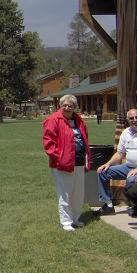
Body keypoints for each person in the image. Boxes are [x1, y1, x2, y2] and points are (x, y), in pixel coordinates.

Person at [43, 94, 91, 231]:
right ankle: (66, 222)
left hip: (79, 162)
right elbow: (48, 143)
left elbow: (85, 137)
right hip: (63, 164)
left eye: (70, 105)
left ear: (74, 107)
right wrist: (60, 158)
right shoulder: (53, 119)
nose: (67, 108)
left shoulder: (78, 119)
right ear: (60, 106)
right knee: (65, 193)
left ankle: (75, 219)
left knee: (78, 193)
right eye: (64, 105)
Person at [96, 108, 137, 215]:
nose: (135, 120)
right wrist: (107, 164)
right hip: (128, 167)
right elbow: (120, 154)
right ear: (128, 120)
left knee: (131, 179)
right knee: (102, 172)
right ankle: (108, 205)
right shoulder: (125, 132)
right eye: (131, 118)